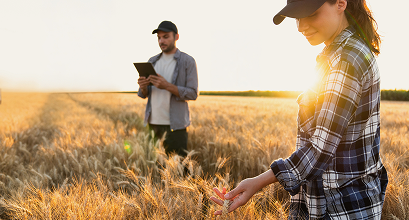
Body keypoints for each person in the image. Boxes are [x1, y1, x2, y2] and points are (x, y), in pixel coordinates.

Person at [211, 0, 388, 219]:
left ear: (341, 3)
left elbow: (320, 150)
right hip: (342, 202)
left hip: (341, 208)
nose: (301, 26)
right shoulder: (340, 53)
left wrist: (257, 182)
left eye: (311, 14)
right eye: (297, 18)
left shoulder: (346, 60)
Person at [137, 20, 199, 158]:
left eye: (166, 37)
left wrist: (166, 86)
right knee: (154, 169)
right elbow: (144, 94)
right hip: (152, 124)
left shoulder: (187, 61)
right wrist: (143, 86)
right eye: (159, 37)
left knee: (179, 170)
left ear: (176, 37)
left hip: (175, 126)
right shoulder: (152, 61)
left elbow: (193, 93)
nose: (161, 41)